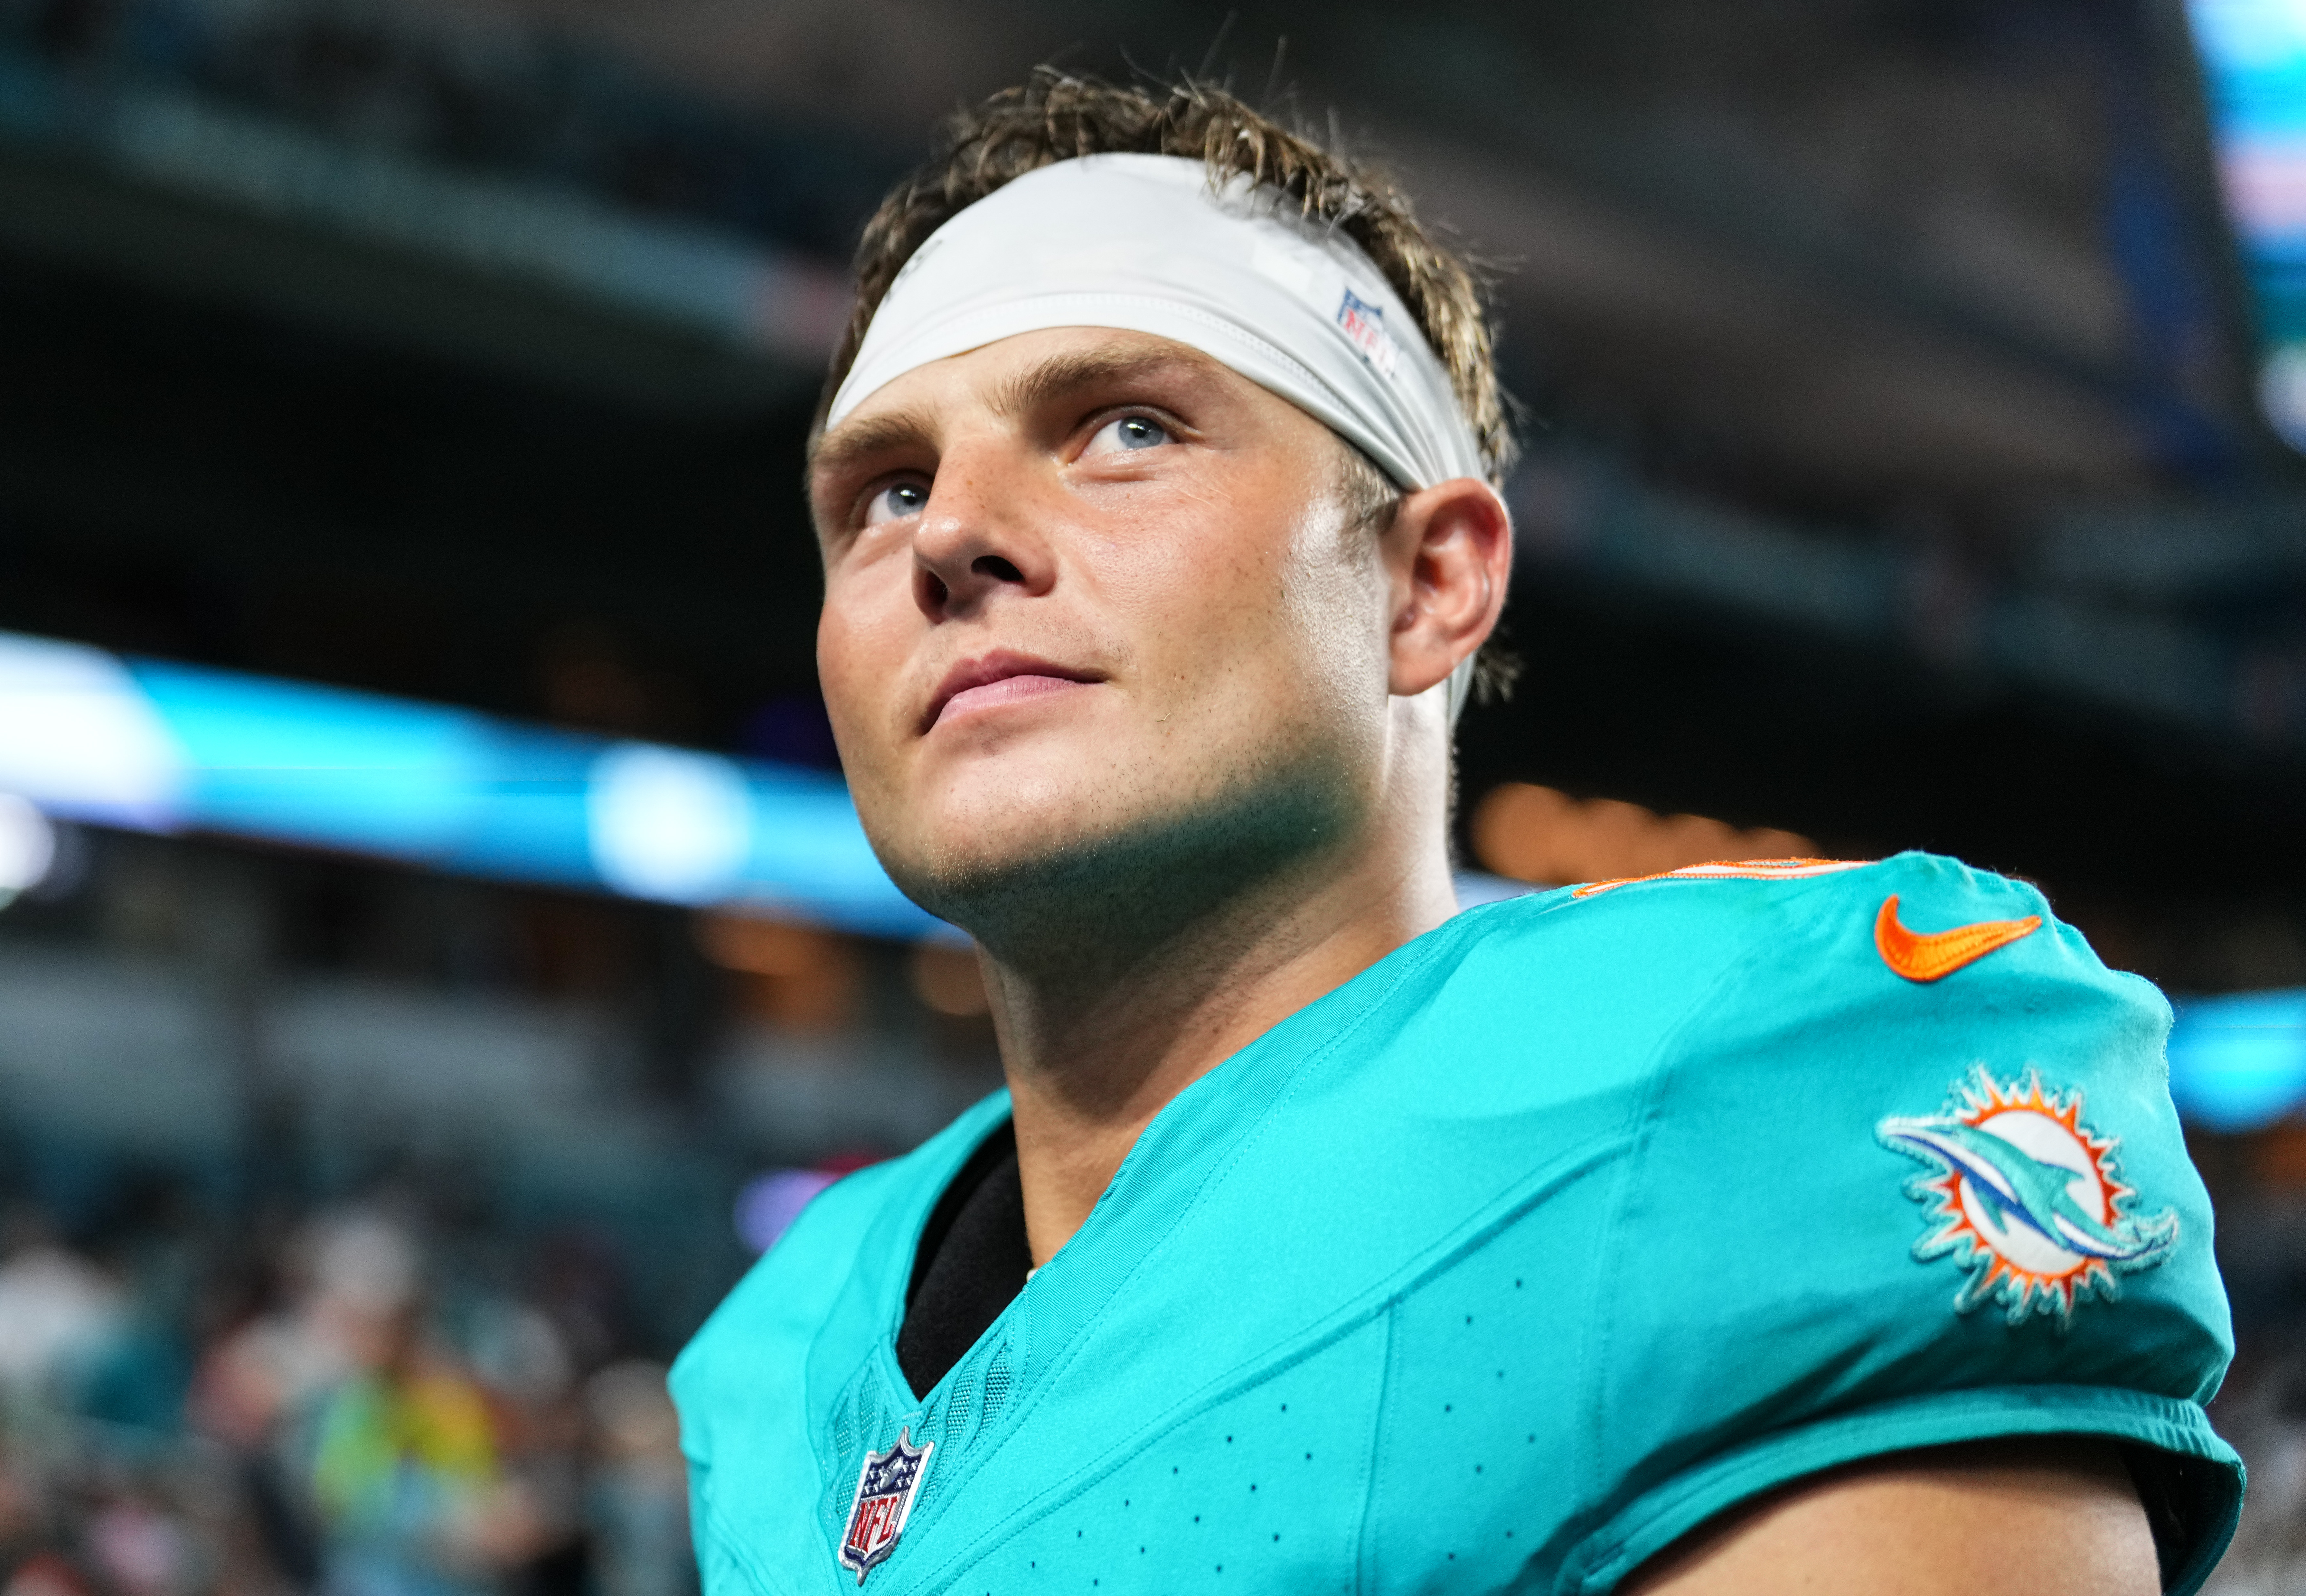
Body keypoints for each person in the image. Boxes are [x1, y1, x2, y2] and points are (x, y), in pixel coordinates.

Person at [670, 70, 2242, 1594]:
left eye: (1126, 427)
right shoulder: (782, 1342)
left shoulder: (1740, 1097)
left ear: (1431, 584)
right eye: (881, 491)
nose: (948, 533)